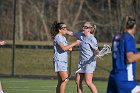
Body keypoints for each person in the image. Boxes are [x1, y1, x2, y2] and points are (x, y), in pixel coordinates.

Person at [107, 16, 140, 93]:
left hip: (113, 77)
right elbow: (130, 58)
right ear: (134, 26)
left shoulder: (117, 37)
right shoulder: (128, 38)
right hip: (124, 78)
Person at [67, 22, 99, 93]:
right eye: (83, 26)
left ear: (89, 29)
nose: (83, 28)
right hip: (81, 62)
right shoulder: (80, 35)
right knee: (78, 81)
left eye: (85, 27)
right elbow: (71, 33)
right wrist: (64, 31)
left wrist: (97, 54)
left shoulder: (92, 39)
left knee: (88, 82)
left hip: (89, 63)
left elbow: (96, 50)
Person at [51, 21, 80, 93]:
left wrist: (81, 49)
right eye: (64, 28)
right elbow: (64, 48)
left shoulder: (63, 38)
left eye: (66, 27)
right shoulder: (58, 37)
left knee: (61, 81)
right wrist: (75, 43)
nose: (66, 29)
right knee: (65, 80)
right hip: (59, 60)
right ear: (59, 29)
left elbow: (68, 48)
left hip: (63, 61)